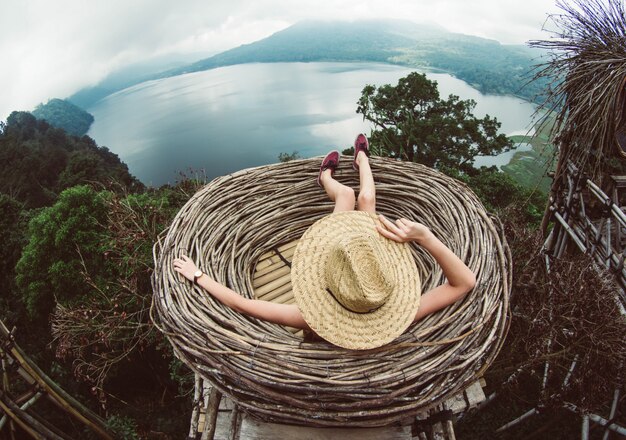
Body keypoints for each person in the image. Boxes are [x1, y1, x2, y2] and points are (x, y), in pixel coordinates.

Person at [174, 134, 476, 349]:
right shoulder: (398, 311)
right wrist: (426, 237)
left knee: (347, 195)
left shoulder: (307, 317)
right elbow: (465, 283)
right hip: (356, 253)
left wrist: (198, 275)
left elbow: (243, 304)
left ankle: (326, 179)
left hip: (342, 257)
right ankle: (361, 159)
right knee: (366, 198)